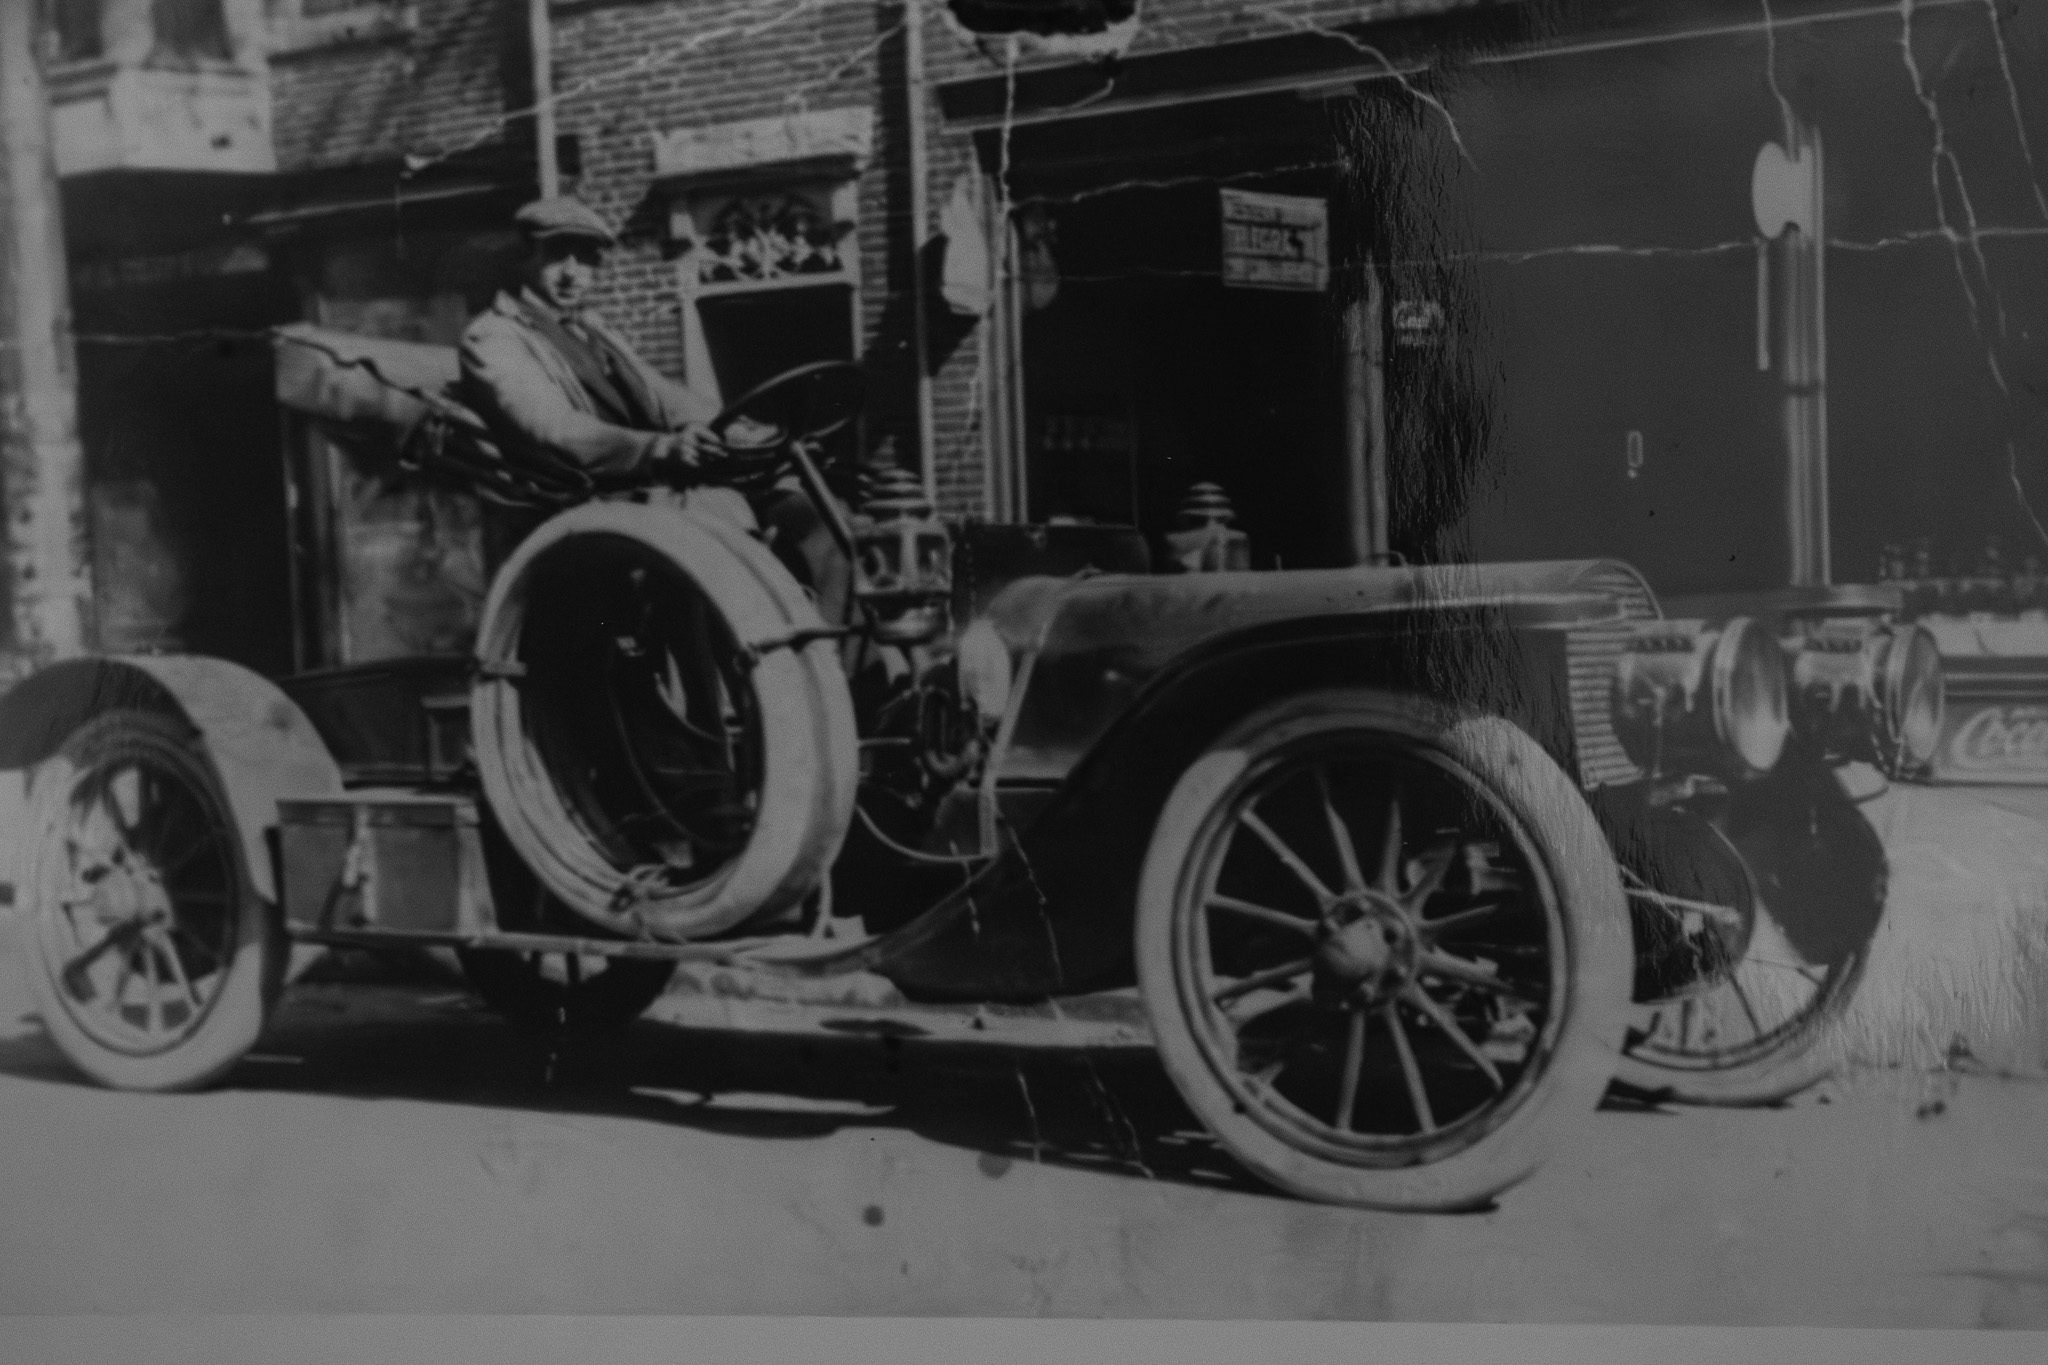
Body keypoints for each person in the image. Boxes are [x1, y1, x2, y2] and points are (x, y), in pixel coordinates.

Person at [458, 194, 848, 616]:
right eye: (557, 255)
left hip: (649, 487)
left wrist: (737, 428)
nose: (573, 273)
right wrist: (660, 449)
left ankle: (835, 660)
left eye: (586, 259)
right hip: (586, 499)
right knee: (724, 510)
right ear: (525, 256)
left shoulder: (594, 330)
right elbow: (555, 429)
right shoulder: (495, 338)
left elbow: (665, 397)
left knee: (815, 512)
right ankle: (761, 651)